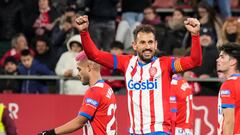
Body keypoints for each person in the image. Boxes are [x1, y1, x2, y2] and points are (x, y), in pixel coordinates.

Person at [75, 15, 202, 134]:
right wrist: (84, 32)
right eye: (142, 43)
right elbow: (94, 55)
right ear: (134, 45)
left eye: (150, 42)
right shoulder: (126, 62)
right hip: (135, 131)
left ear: (156, 44)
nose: (147, 46)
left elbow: (195, 61)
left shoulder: (166, 64)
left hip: (158, 131)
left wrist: (195, 35)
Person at [38, 51, 117, 135]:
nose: (78, 74)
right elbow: (115, 126)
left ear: (89, 67)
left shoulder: (94, 91)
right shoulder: (108, 89)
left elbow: (79, 122)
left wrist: (50, 133)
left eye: (79, 69)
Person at [217, 43, 240, 135]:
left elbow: (229, 121)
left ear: (233, 61)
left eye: (222, 57)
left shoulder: (229, 85)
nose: (217, 60)